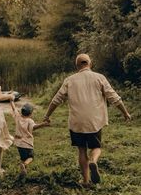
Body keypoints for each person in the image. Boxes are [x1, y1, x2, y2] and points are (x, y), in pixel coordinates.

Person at [43, 54, 131, 187]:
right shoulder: (99, 77)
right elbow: (113, 97)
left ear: (77, 65)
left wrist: (47, 115)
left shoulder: (69, 80)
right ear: (90, 63)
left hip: (77, 122)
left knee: (81, 150)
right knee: (96, 147)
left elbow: (56, 99)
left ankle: (85, 181)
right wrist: (125, 113)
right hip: (94, 122)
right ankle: (93, 161)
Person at [10, 100, 49, 176]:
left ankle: (23, 171)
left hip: (18, 144)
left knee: (23, 157)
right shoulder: (29, 121)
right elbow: (34, 127)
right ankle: (24, 165)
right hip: (27, 144)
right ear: (30, 114)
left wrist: (11, 101)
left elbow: (14, 109)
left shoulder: (18, 117)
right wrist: (43, 124)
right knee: (30, 157)